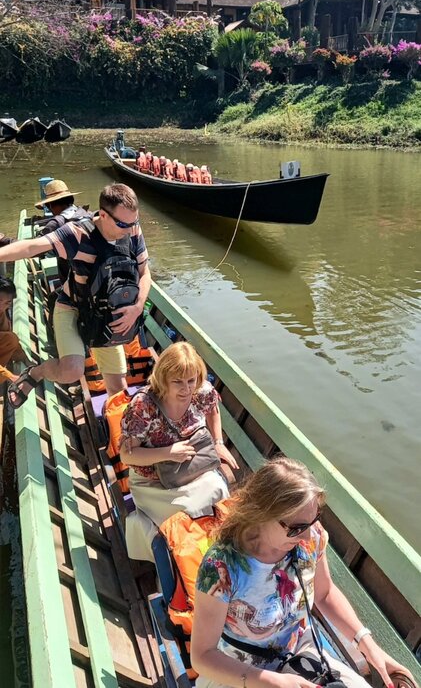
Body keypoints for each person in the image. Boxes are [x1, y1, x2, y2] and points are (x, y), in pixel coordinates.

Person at [191, 456, 417, 688]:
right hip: (237, 672)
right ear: (261, 514)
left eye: (314, 519)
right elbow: (202, 656)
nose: (308, 536)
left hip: (299, 651)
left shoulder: (311, 536)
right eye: (297, 528)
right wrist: (271, 681)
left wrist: (366, 643)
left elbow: (325, 594)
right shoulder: (221, 566)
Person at [0, 182, 151, 406]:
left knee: (119, 390)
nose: (129, 229)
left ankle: (117, 428)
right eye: (122, 224)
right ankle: (35, 373)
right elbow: (32, 247)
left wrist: (137, 307)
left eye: (133, 222)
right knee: (71, 371)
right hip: (72, 308)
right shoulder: (77, 233)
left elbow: (145, 272)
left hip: (106, 315)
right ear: (103, 215)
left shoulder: (132, 229)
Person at [119, 342, 239, 562]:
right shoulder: (143, 405)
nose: (186, 389)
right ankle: (179, 562)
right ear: (164, 378)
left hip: (193, 469)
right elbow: (126, 455)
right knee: (187, 512)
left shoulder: (201, 390)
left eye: (191, 380)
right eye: (177, 382)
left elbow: (212, 409)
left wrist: (218, 442)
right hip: (154, 481)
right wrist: (168, 452)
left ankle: (215, 555)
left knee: (220, 491)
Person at [34, 179, 92, 284]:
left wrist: (7, 241)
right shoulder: (86, 214)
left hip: (75, 279)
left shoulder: (56, 223)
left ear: (51, 205)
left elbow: (35, 248)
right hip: (94, 273)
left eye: (48, 206)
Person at [0, 276, 32, 382]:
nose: (1, 307)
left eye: (7, 303)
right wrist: (9, 376)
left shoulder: (2, 315)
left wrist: (25, 359)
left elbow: (10, 340)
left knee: (11, 338)